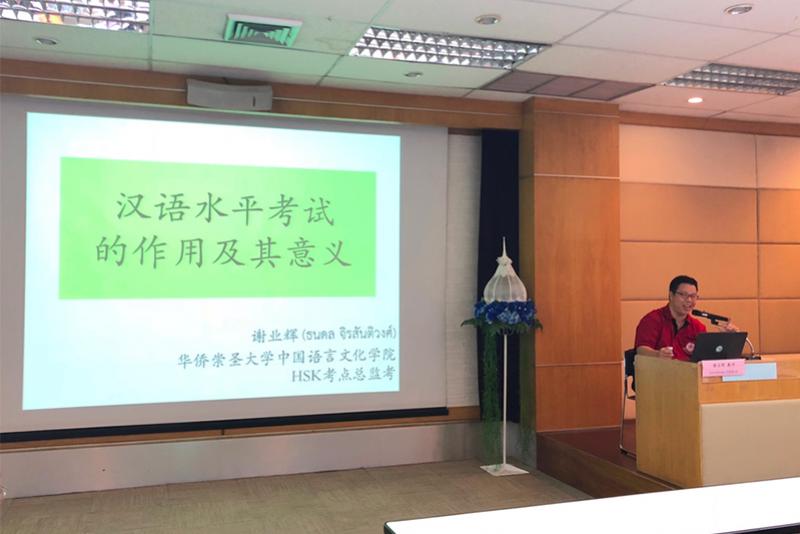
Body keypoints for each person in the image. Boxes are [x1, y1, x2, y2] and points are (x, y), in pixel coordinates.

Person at [635, 275, 737, 361]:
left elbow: (705, 358)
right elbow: (641, 350)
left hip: (689, 375)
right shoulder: (652, 320)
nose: (689, 300)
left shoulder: (698, 327)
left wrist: (729, 340)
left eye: (693, 296)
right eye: (683, 295)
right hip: (659, 374)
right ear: (671, 295)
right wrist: (657, 355)